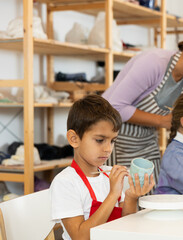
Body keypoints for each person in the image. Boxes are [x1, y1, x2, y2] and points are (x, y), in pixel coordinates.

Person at [102, 21, 183, 185]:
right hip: (114, 138)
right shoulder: (153, 63)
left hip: (146, 140)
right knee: (122, 200)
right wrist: (161, 121)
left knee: (150, 195)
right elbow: (114, 107)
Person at [50, 95, 155, 240]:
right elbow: (81, 237)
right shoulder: (66, 182)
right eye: (100, 140)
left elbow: (127, 227)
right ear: (74, 139)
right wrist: (113, 194)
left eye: (112, 141)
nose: (108, 149)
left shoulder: (109, 174)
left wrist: (131, 197)